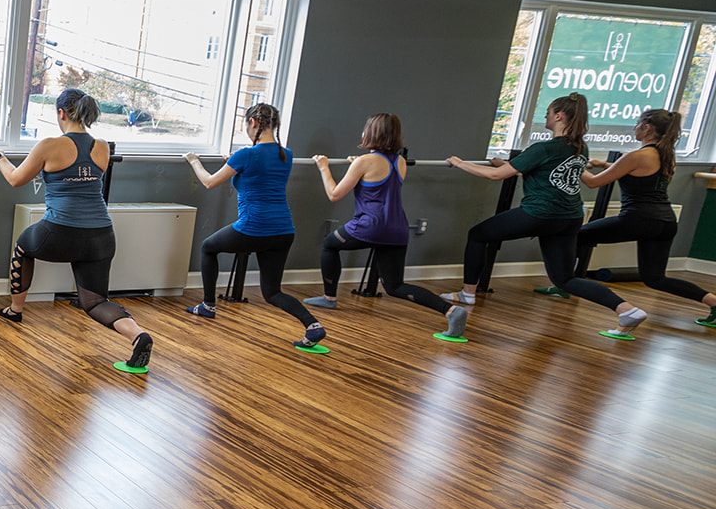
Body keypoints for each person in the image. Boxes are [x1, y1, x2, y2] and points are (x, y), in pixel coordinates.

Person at [444, 92, 647, 337]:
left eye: (549, 112)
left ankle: (468, 292)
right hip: (569, 218)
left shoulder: (544, 147)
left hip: (540, 214)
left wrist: (458, 162)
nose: (545, 116)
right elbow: (544, 173)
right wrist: (508, 165)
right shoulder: (580, 147)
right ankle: (626, 309)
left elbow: (495, 177)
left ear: (559, 116)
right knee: (564, 279)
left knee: (478, 234)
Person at [0, 88, 153, 372]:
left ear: (61, 113)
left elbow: (15, 179)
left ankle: (15, 310)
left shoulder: (49, 145)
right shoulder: (102, 147)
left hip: (60, 232)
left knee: (23, 246)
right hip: (101, 235)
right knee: (95, 301)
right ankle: (138, 335)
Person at [306, 114, 469, 340]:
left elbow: (334, 194)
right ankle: (450, 310)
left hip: (369, 227)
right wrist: (357, 164)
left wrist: (323, 167)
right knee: (394, 286)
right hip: (397, 229)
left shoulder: (365, 162)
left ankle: (329, 298)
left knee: (330, 245)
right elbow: (376, 177)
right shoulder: (399, 162)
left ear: (371, 133)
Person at [184, 103, 327, 350]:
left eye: (245, 125)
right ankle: (313, 325)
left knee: (208, 247)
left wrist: (194, 160)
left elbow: (209, 182)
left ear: (253, 123)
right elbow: (259, 178)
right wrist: (234, 163)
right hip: (283, 230)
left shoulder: (246, 155)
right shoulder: (287, 154)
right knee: (272, 292)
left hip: (253, 227)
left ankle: (208, 306)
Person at [575, 108, 715, 324]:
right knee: (655, 278)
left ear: (647, 127)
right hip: (666, 222)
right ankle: (714, 302)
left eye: (638, 123)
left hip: (639, 219)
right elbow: (635, 173)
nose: (634, 128)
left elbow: (593, 182)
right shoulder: (666, 155)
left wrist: (572, 165)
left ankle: (567, 283)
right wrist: (604, 164)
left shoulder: (637, 156)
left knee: (578, 234)